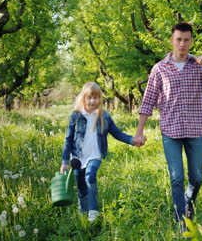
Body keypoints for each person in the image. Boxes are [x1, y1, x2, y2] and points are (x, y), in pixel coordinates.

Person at [134, 22, 202, 231]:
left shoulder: (199, 67)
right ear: (172, 41)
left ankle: (187, 202)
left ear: (191, 41)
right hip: (171, 131)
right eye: (179, 39)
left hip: (195, 130)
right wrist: (139, 130)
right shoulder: (159, 69)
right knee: (176, 177)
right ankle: (181, 222)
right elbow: (148, 100)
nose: (182, 43)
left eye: (186, 40)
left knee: (197, 177)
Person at [60, 82, 145, 222]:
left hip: (95, 155)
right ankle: (83, 213)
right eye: (89, 97)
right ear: (83, 99)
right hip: (78, 157)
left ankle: (93, 211)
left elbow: (117, 133)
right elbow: (68, 139)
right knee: (81, 187)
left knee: (90, 177)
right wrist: (64, 161)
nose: (93, 101)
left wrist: (132, 140)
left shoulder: (104, 116)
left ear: (100, 99)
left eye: (96, 97)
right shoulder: (75, 116)